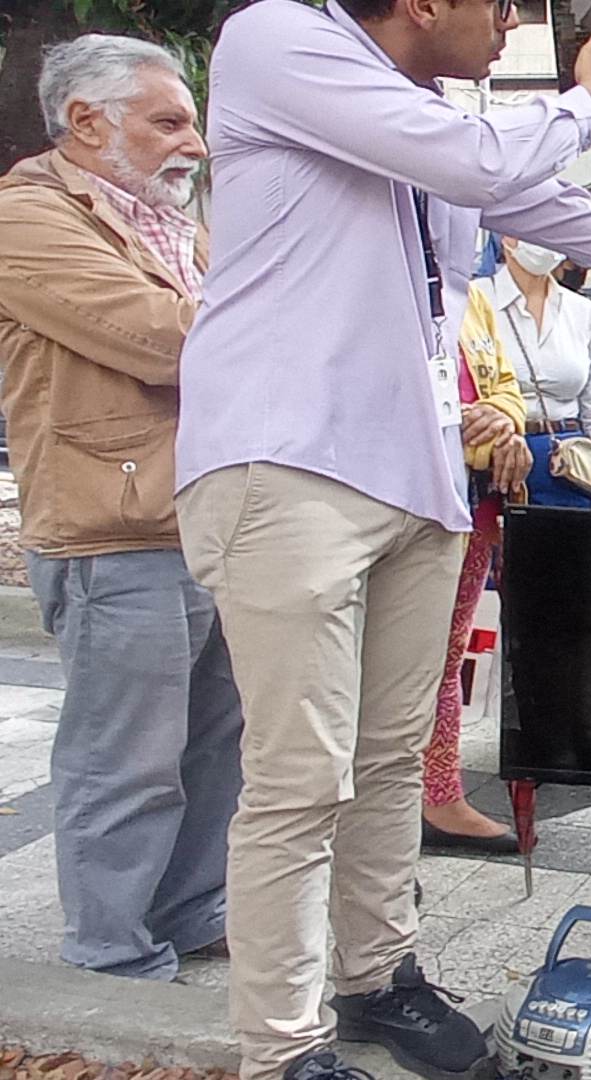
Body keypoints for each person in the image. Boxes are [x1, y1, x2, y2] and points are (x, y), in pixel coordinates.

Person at [170, 4, 591, 1079]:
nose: (513, 22)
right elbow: (485, 167)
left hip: (417, 474)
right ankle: (283, 1049)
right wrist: (589, 97)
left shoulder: (431, 111)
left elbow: (558, 211)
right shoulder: (277, 39)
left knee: (391, 761)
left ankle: (378, 978)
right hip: (286, 465)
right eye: (504, 4)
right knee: (299, 780)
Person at [0, 34, 241, 984]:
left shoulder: (170, 225)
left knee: (215, 748)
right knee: (128, 761)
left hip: (208, 515)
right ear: (86, 122)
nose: (195, 144)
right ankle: (111, 951)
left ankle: (187, 917)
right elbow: (162, 339)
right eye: (169, 122)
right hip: (112, 531)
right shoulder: (25, 217)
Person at [421, 284, 532, 853]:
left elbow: (505, 384)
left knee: (444, 657)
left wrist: (502, 418)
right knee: (385, 664)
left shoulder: (471, 296)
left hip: (474, 498)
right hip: (400, 492)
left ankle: (439, 796)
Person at [477, 235, 591, 510]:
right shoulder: (474, 299)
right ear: (505, 237)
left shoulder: (583, 312)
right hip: (494, 463)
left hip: (569, 469)